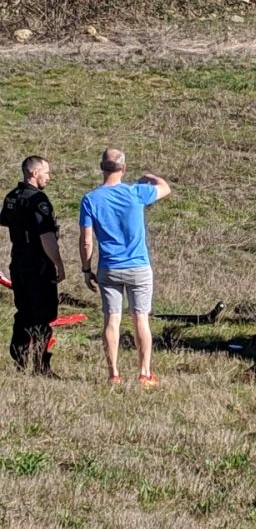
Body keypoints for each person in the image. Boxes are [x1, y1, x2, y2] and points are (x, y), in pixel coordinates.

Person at [79, 148, 171, 388]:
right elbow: (165, 188)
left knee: (112, 320)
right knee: (141, 319)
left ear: (101, 167)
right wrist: (150, 176)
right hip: (138, 266)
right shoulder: (136, 193)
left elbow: (87, 240)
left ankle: (114, 374)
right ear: (124, 168)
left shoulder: (90, 199)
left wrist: (86, 268)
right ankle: (144, 373)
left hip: (109, 267)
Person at [0, 157, 65, 376]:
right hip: (38, 264)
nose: (49, 176)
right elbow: (46, 236)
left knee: (24, 312)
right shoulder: (38, 200)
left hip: (18, 262)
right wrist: (58, 264)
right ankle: (41, 366)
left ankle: (19, 362)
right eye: (46, 172)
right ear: (34, 173)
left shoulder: (12, 197)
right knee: (43, 315)